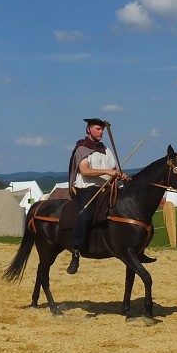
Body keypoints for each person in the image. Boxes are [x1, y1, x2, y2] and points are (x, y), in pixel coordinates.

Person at [67, 117, 128, 274]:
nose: (100, 132)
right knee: (86, 215)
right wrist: (108, 172)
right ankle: (76, 251)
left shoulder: (106, 150)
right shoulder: (82, 148)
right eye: (97, 129)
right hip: (88, 189)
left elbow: (114, 169)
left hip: (105, 189)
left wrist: (120, 175)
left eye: (102, 129)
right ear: (88, 130)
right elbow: (85, 171)